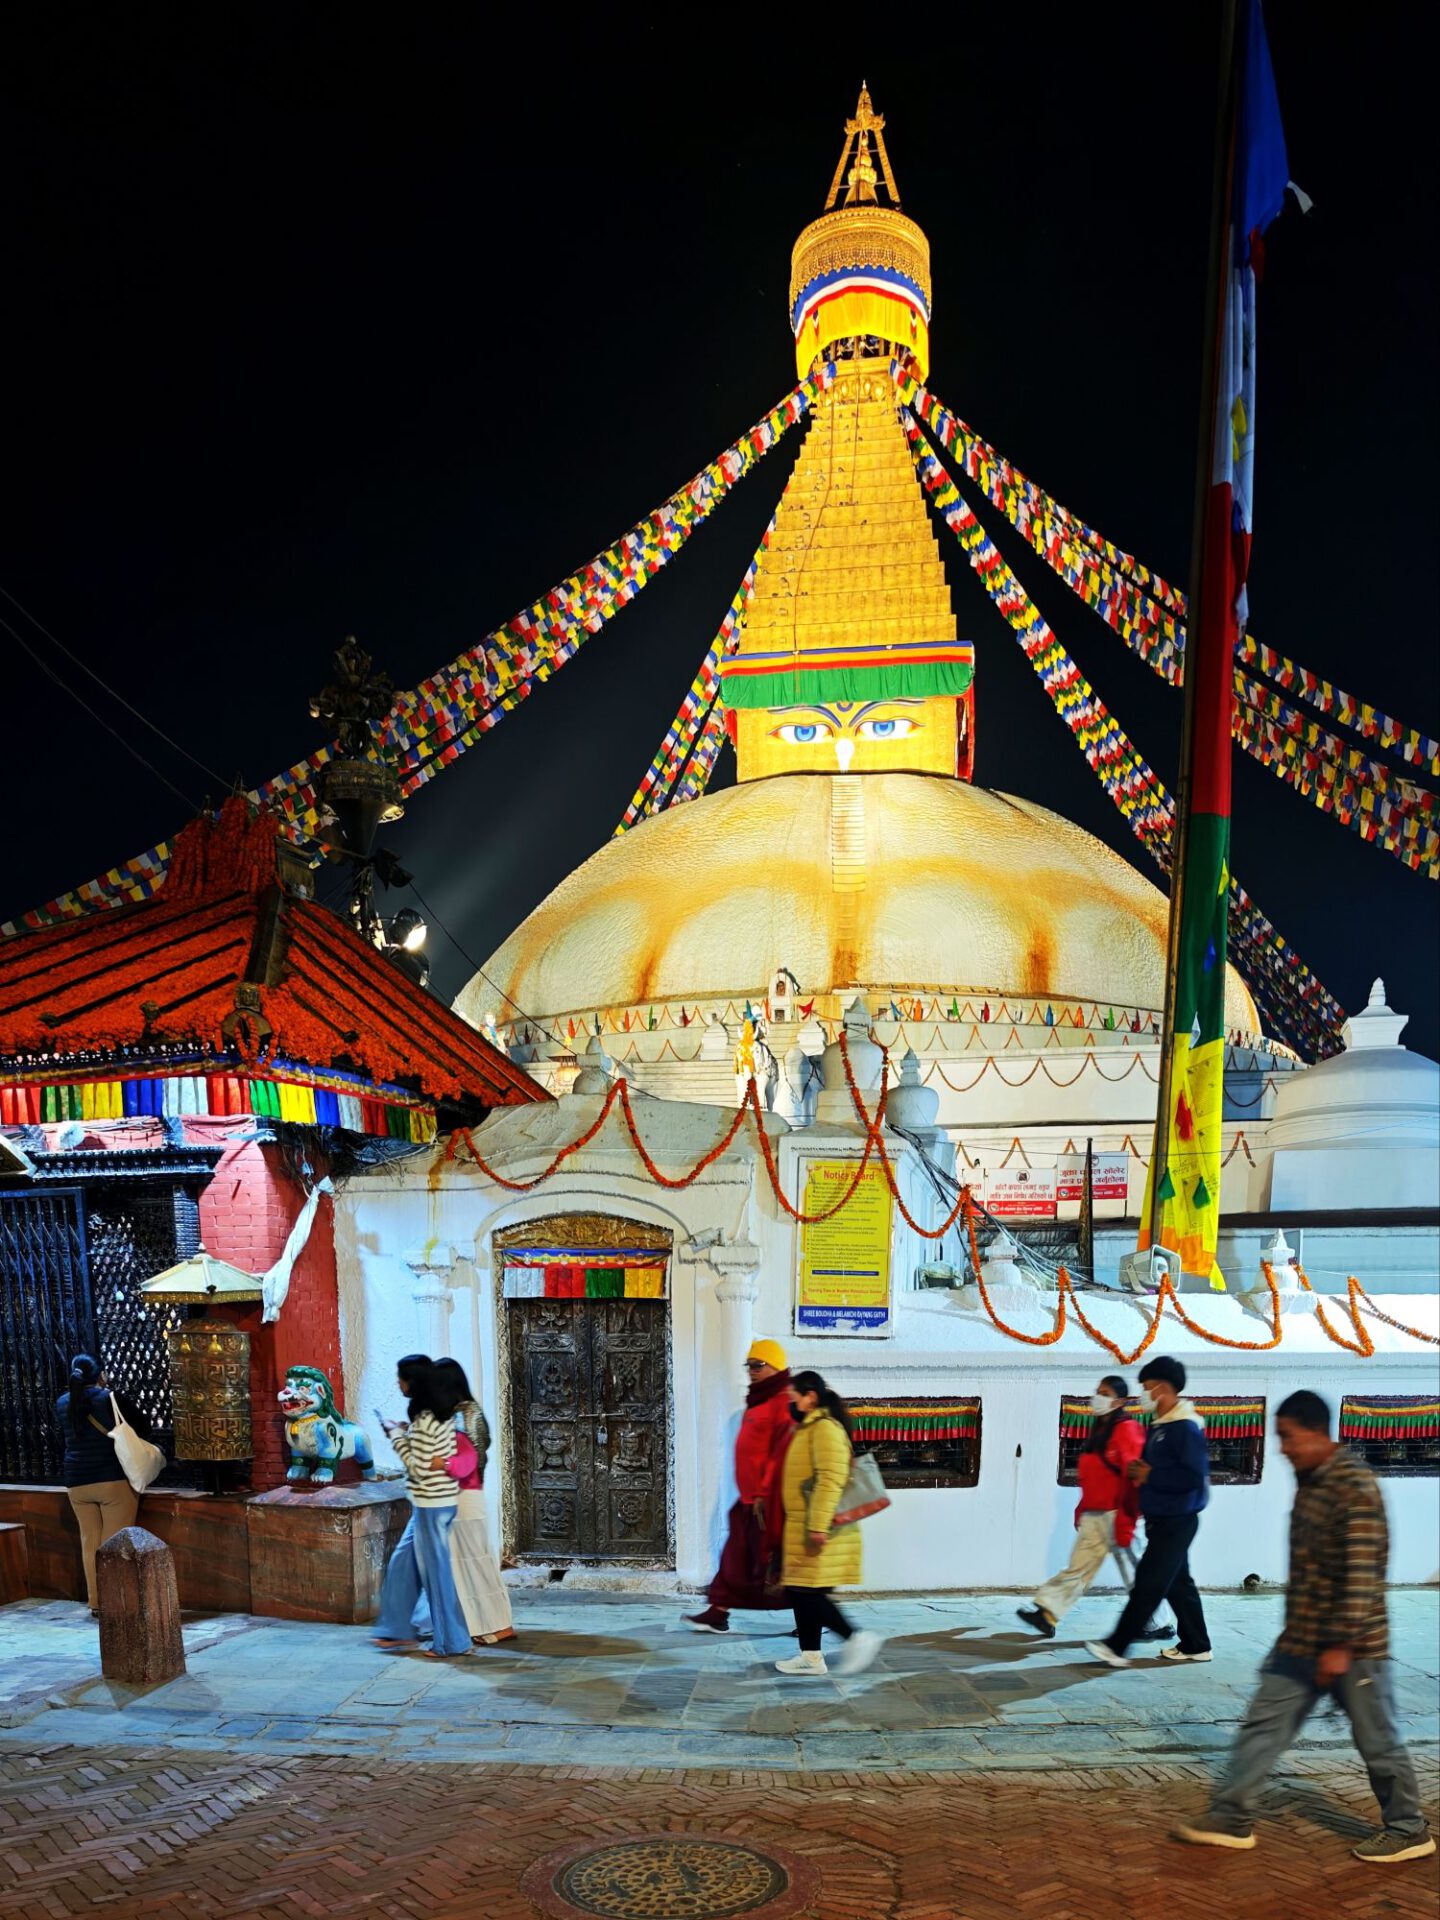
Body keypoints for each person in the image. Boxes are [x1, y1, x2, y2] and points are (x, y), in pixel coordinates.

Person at [1176, 1390, 1434, 1865]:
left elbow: (1361, 1573)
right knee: (1264, 1724)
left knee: (1376, 1739)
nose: (1283, 1448)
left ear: (1316, 1432)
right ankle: (1231, 1817)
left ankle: (1408, 1828)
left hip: (1353, 1647)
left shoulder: (1353, 1484)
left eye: (1288, 1437)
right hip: (1300, 1639)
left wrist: (1340, 1645)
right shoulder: (1312, 1478)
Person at [1018, 1374, 1172, 1641]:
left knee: (1136, 1572)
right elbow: (1094, 1478)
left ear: (1120, 1401)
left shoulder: (1127, 1430)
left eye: (1106, 1394)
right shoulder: (1100, 1432)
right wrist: (1082, 1508)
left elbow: (1134, 1476)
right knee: (1078, 1568)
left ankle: (1158, 1623)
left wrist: (1127, 1517)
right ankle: (1047, 1613)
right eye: (1098, 1391)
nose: (1098, 1397)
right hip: (1096, 1514)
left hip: (1120, 1513)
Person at [1085, 1355, 1212, 1668]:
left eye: (1146, 1387)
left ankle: (1116, 1646)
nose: (1142, 1394)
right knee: (1178, 1584)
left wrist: (1150, 1475)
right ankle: (1196, 1645)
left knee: (1148, 1582)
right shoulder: (1160, 1426)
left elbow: (1194, 1477)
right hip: (1161, 1517)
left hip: (1177, 1519)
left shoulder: (1185, 1428)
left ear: (1162, 1389)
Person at [774, 1369, 882, 1679]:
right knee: (801, 1591)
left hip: (821, 1528)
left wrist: (818, 1526)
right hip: (804, 1525)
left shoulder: (824, 1428)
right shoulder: (810, 1427)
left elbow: (830, 1479)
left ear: (810, 1397)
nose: (791, 1401)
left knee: (808, 1593)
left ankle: (856, 1638)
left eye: (794, 1395)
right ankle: (811, 1657)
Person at [686, 1338, 794, 1634]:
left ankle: (812, 1617)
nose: (752, 1371)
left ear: (776, 1367)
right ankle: (717, 1613)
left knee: (781, 1566)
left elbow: (782, 1452)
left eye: (758, 1365)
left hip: (768, 1502)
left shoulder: (784, 1402)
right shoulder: (759, 1400)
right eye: (749, 1365)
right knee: (735, 1558)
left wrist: (765, 1493)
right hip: (749, 1501)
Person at [371, 1356, 470, 1658]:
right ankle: (398, 1631)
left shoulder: (427, 1419)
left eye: (401, 1378)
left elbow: (419, 1467)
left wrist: (395, 1436)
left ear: (413, 1382)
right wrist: (406, 1433)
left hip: (432, 1504)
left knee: (436, 1576)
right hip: (432, 1502)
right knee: (403, 1562)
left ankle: (451, 1643)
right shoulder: (439, 1414)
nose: (398, 1383)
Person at [54, 1353, 157, 1614]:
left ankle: (97, 1603)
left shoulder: (62, 1402)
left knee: (90, 1542)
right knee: (115, 1543)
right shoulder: (110, 1398)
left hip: (76, 1482)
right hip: (111, 1480)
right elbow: (143, 1427)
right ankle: (116, 1602)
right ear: (101, 1374)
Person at [430, 1356, 514, 1646]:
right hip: (457, 1494)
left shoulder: (468, 1414)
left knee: (475, 1562)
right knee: (464, 1563)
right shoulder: (455, 1413)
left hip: (464, 1495)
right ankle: (478, 1623)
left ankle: (497, 1625)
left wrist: (444, 1465)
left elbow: (474, 1458)